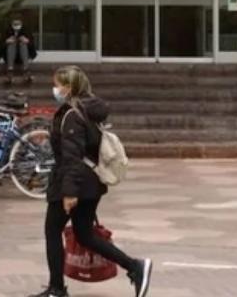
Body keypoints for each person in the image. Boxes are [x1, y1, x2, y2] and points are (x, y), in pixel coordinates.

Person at [31, 65, 152, 297]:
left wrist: (69, 192)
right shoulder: (88, 110)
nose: (54, 89)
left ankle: (57, 289)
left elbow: (72, 156)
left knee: (52, 230)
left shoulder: (71, 115)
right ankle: (135, 266)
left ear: (68, 87)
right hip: (90, 182)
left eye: (57, 85)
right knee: (84, 233)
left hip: (75, 183)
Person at [0, 17, 38, 85]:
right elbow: (0, 45)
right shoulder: (7, 31)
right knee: (11, 44)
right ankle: (10, 69)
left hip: (23, 56)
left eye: (18, 23)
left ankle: (26, 69)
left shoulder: (26, 30)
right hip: (9, 56)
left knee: (23, 44)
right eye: (15, 24)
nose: (16, 25)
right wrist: (7, 41)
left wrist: (27, 41)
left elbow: (32, 45)